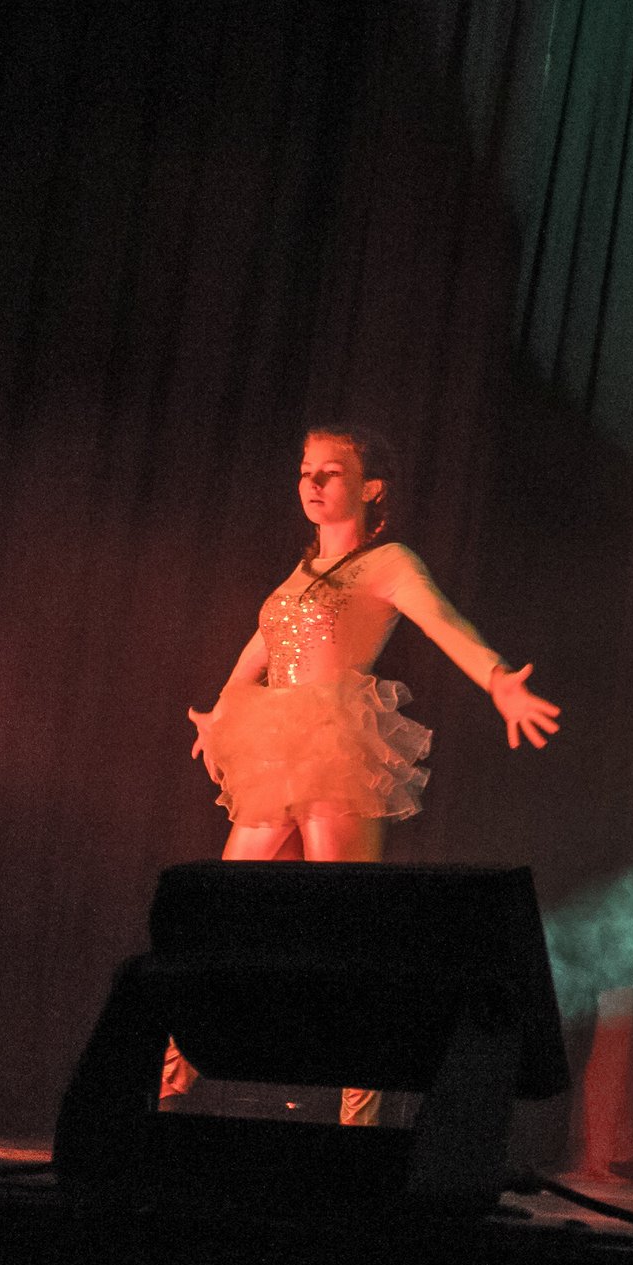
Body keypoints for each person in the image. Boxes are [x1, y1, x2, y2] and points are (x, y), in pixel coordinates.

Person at [183, 423, 564, 1122]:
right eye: (305, 470)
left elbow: (445, 623)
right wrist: (219, 712)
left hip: (336, 749)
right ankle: (165, 1088)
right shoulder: (299, 576)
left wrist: (497, 679)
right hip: (273, 754)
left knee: (349, 934)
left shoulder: (388, 564)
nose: (311, 482)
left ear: (371, 487)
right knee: (224, 919)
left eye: (329, 472)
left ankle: (360, 1120)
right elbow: (255, 656)